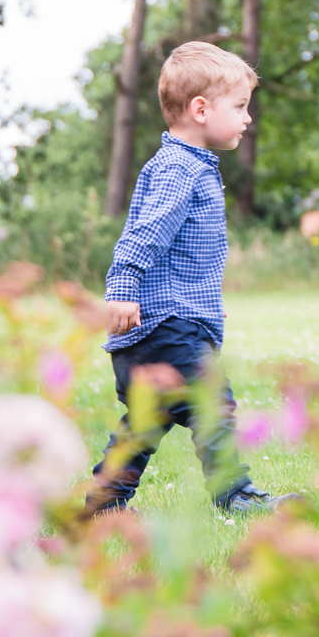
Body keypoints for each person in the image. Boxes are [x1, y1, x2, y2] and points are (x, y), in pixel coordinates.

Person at [82, 41, 287, 516]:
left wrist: (201, 304)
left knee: (146, 422)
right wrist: (123, 287)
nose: (247, 118)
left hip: (166, 323)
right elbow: (145, 234)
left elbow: (180, 254)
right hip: (165, 327)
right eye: (239, 107)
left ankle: (103, 504)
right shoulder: (180, 169)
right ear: (200, 109)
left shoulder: (185, 166)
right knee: (213, 404)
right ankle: (234, 495)